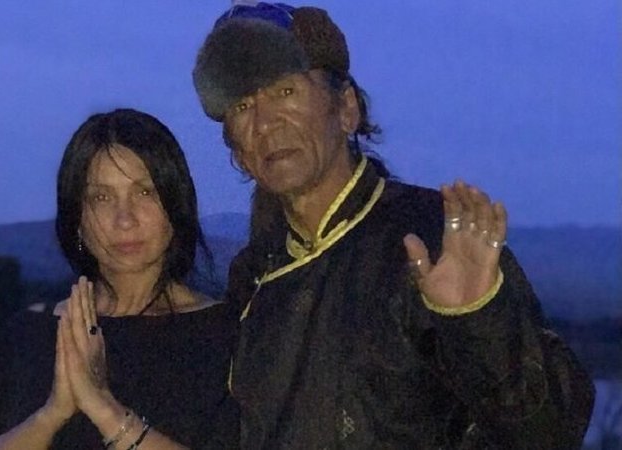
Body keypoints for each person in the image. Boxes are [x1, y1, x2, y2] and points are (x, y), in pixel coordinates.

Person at [192, 2, 595, 448]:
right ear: (237, 150)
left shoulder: (428, 238)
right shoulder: (253, 276)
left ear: (346, 108)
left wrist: (479, 319)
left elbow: (551, 430)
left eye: (285, 91)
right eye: (242, 105)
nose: (265, 123)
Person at [0, 109, 236, 449]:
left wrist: (103, 407)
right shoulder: (30, 335)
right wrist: (52, 414)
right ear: (77, 220)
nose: (125, 219)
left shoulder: (226, 335)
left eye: (144, 192)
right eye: (101, 198)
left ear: (176, 204)